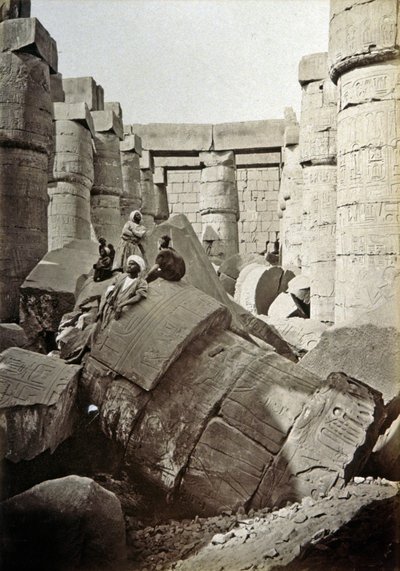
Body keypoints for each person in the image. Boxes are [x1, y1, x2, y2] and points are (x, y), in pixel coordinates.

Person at [97, 254, 148, 329]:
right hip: (109, 309)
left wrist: (121, 305)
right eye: (129, 264)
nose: (129, 266)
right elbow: (108, 291)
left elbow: (138, 297)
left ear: (138, 268)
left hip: (123, 312)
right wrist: (101, 309)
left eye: (132, 264)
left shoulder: (141, 282)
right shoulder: (120, 276)